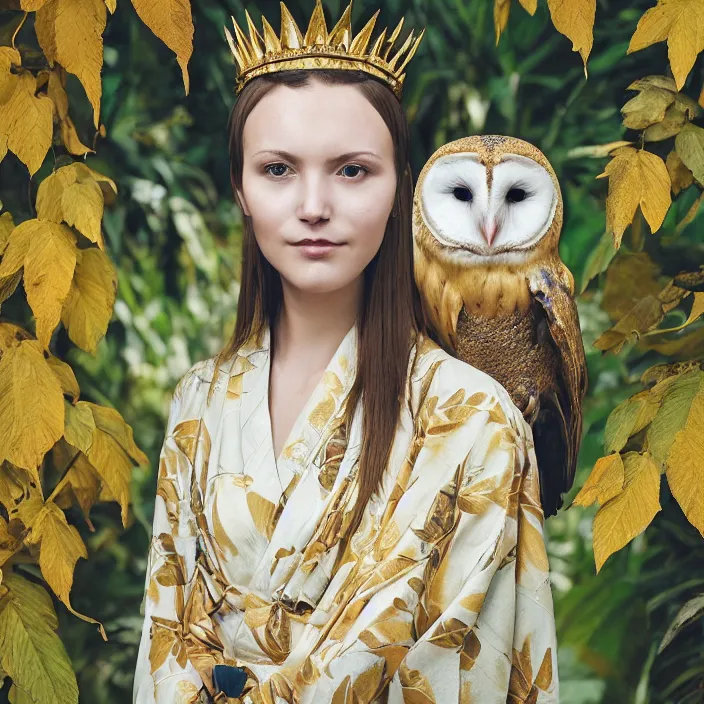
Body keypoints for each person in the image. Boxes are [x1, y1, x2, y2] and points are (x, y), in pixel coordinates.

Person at [133, 1, 558, 702]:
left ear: (400, 189)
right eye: (277, 170)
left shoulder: (473, 418)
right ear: (239, 187)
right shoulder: (200, 401)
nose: (313, 205)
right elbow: (163, 641)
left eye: (352, 171)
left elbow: (466, 669)